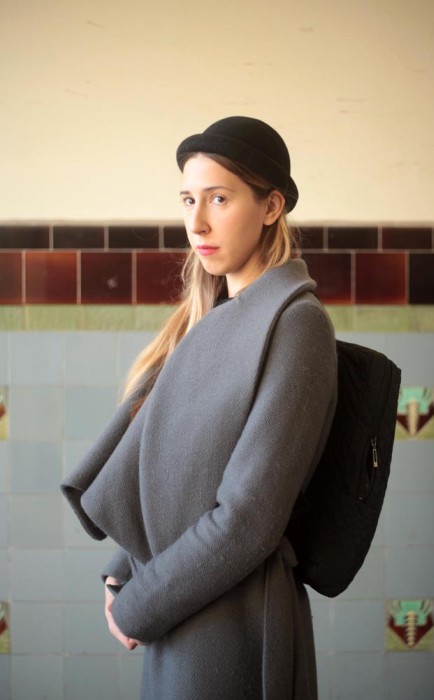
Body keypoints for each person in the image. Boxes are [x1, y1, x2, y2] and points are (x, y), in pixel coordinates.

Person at [61, 116, 338, 699]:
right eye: (189, 199)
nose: (197, 222)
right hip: (184, 609)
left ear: (271, 206)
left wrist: (139, 604)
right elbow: (180, 480)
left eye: (219, 198)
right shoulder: (210, 320)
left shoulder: (296, 323)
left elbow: (248, 518)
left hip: (237, 628)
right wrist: (126, 569)